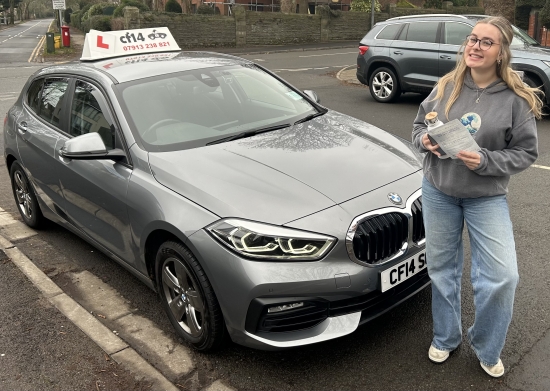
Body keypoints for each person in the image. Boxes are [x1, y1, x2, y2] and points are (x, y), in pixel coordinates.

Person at [411, 16, 542, 378]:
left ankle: (486, 344)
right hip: (438, 191)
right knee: (442, 270)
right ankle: (445, 337)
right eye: (472, 39)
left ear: (501, 53)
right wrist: (424, 141)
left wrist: (486, 160)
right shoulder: (446, 85)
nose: (476, 46)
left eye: (487, 42)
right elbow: (419, 127)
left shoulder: (516, 100)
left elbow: (526, 153)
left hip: (486, 196)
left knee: (503, 276)